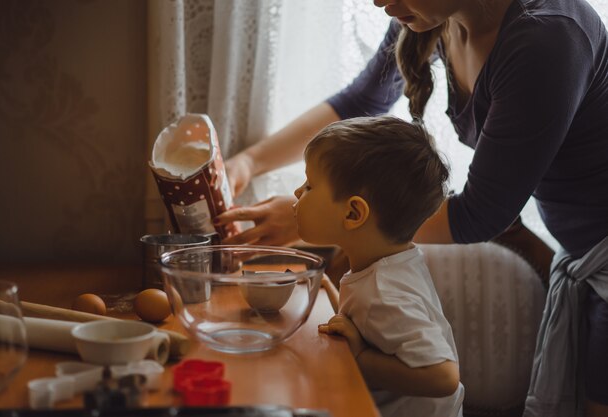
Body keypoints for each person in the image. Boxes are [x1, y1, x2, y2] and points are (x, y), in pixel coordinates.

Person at [214, 0, 608, 415]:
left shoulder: (548, 37)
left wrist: (328, 223)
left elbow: (479, 213)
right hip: (585, 253)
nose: (381, 2)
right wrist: (250, 162)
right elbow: (360, 102)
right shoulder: (432, 14)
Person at [295, 115, 462, 417]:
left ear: (353, 212)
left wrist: (359, 356)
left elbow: (444, 376)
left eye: (309, 186)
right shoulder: (389, 264)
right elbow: (372, 323)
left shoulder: (385, 291)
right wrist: (329, 291)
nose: (297, 193)